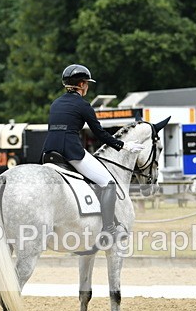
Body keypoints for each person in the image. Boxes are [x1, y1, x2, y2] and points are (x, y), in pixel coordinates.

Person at [42, 64, 146, 243]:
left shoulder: (55, 103)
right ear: (82, 85)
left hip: (49, 152)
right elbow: (100, 134)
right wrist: (124, 146)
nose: (87, 87)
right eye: (87, 84)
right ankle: (109, 229)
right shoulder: (83, 105)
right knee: (109, 183)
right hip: (71, 153)